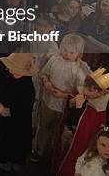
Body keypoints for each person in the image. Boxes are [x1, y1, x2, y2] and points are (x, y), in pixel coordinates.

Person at [32, 34, 89, 163]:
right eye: (65, 50)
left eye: (72, 52)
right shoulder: (55, 59)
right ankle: (40, 150)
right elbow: (44, 72)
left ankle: (53, 155)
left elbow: (81, 93)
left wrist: (64, 95)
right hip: (48, 101)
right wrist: (46, 81)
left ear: (79, 53)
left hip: (64, 107)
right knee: (44, 126)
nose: (67, 54)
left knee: (58, 132)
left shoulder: (80, 70)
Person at [56, 68, 109, 176]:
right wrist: (72, 104)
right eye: (85, 87)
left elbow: (83, 129)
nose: (85, 91)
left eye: (90, 90)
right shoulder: (86, 95)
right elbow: (71, 111)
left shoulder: (99, 110)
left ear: (100, 93)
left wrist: (78, 109)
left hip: (79, 149)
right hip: (68, 138)